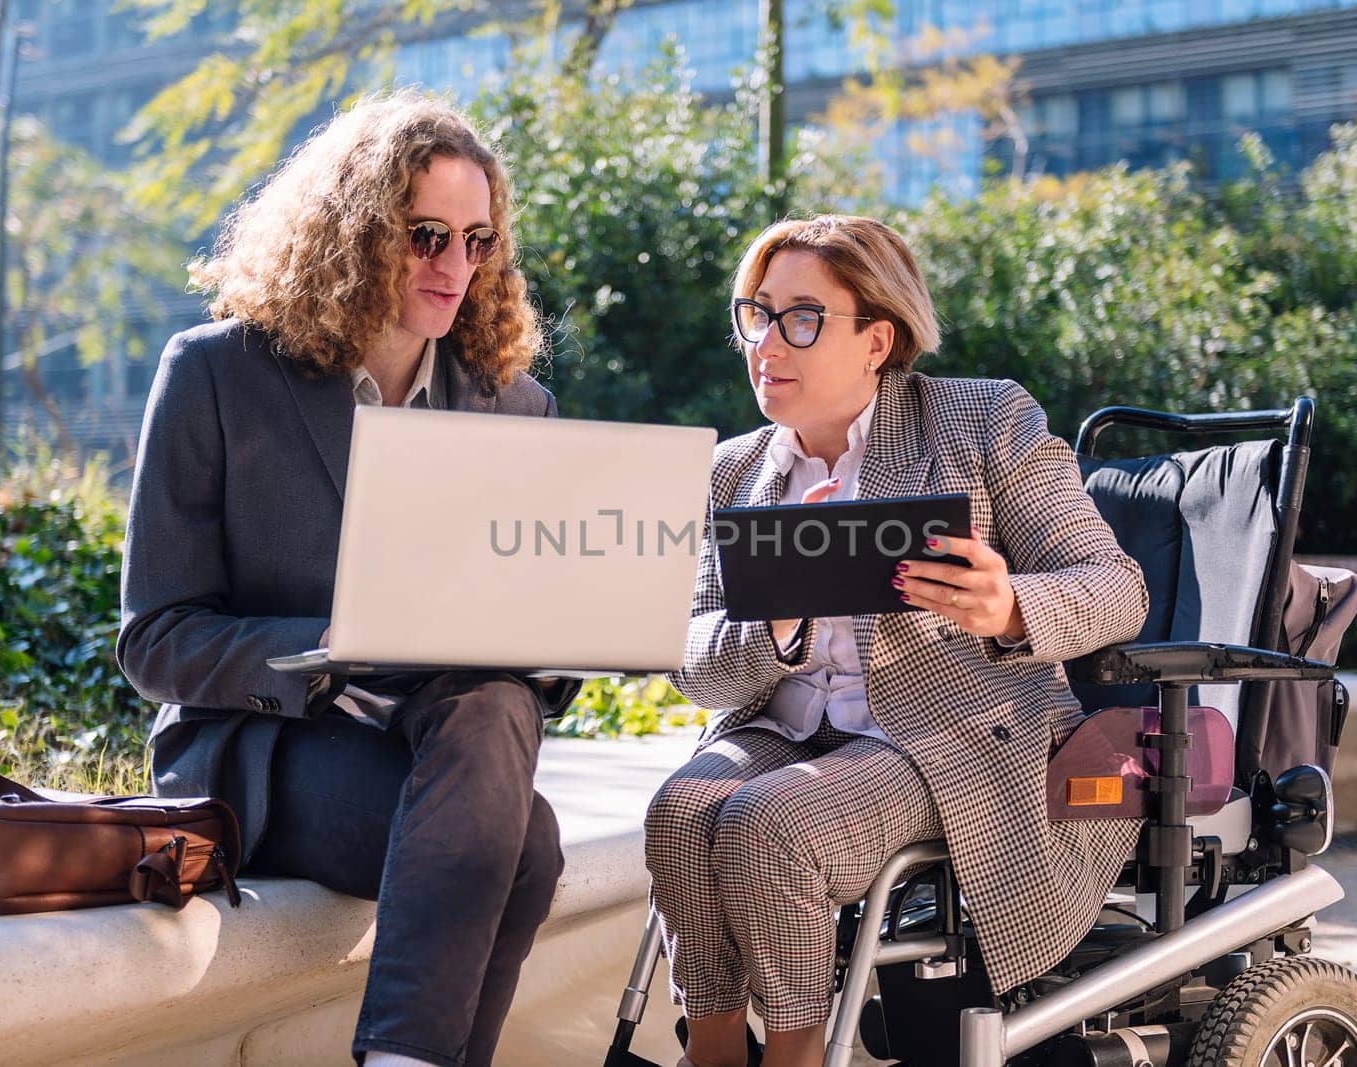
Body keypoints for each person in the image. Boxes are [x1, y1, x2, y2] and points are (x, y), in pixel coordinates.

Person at [118, 91, 571, 1067]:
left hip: (444, 742)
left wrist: (571, 624)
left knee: (491, 699)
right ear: (355, 232)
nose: (455, 268)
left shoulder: (513, 406)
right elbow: (156, 636)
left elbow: (541, 669)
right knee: (525, 847)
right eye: (424, 236)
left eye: (478, 241)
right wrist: (342, 639)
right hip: (265, 752)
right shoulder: (214, 374)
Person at [644, 215, 1149, 1067]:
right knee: (679, 811)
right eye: (756, 313)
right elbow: (693, 665)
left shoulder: (981, 422)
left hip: (947, 735)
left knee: (772, 827)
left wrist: (1008, 604)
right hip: (783, 729)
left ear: (877, 339)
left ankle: (798, 1056)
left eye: (801, 317)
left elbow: (1117, 587)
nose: (768, 341)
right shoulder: (735, 471)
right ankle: (715, 1048)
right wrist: (771, 627)